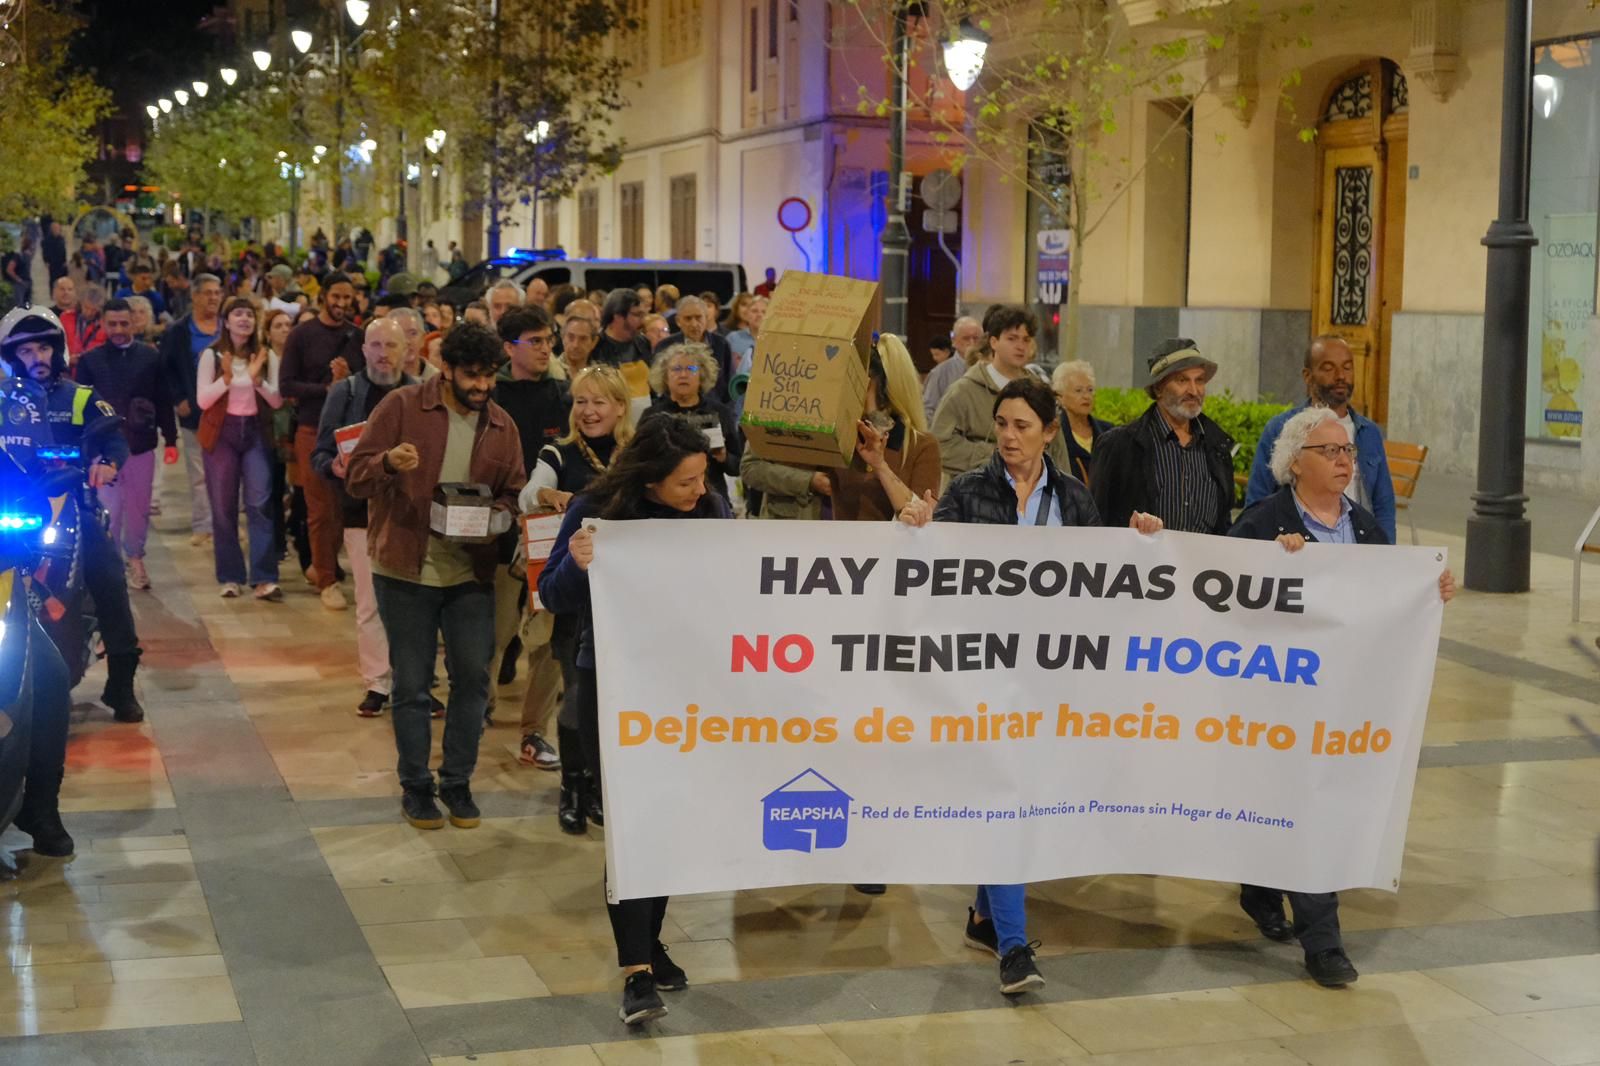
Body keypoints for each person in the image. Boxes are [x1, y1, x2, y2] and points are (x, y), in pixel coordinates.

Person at [899, 377, 1163, 995]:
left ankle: (985, 915)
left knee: (1015, 793)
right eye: (1001, 425)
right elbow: (929, 569)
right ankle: (1014, 949)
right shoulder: (966, 492)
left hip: (1049, 677)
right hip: (982, 675)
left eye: (1022, 426)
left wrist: (1143, 545)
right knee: (1005, 795)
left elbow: (1102, 580)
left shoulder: (1073, 499)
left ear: (1050, 431)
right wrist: (917, 523)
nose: (1009, 437)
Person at [1230, 406, 1455, 988]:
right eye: (1329, 451)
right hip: (1280, 701)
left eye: (1348, 452)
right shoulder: (1262, 526)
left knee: (1311, 806)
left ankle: (1259, 887)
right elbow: (1222, 601)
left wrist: (1428, 591)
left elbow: (1387, 601)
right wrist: (1269, 570)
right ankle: (1323, 943)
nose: (1343, 461)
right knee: (1307, 807)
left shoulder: (1365, 527)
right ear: (1293, 464)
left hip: (1344, 701)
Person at [538, 416, 728, 1025]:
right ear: (650, 479)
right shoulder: (598, 508)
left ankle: (649, 944)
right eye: (686, 483)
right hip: (613, 681)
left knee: (668, 819)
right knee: (632, 820)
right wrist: (576, 562)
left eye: (702, 479)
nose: (699, 492)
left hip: (687, 684)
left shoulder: (711, 509)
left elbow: (741, 579)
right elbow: (552, 594)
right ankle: (636, 972)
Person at [345, 323, 526, 831]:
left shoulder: (502, 426)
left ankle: (458, 781)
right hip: (404, 566)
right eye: (472, 375)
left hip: (470, 571)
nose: (482, 386)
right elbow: (355, 474)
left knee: (472, 677)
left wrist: (500, 516)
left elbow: (514, 491)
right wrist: (386, 461)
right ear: (445, 368)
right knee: (413, 684)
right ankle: (416, 787)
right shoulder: (402, 407)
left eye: (490, 376)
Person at [0, 306, 149, 724]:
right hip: (13, 507)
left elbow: (112, 438)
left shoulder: (80, 396)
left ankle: (121, 683)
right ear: (13, 357)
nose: (36, 357)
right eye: (26, 350)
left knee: (108, 577)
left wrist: (107, 462)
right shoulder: (2, 401)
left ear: (58, 350)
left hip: (71, 509)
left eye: (43, 347)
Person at [518, 365, 633, 831]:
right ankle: (572, 785)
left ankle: (600, 784)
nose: (587, 411)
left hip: (625, 599)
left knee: (612, 699)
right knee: (577, 693)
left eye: (598, 402)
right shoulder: (559, 451)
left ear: (621, 407)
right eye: (580, 402)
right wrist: (549, 492)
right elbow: (529, 494)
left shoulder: (635, 455)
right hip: (574, 593)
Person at [313, 317, 417, 717]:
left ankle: (412, 680)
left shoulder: (418, 393)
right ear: (364, 349)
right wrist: (334, 468)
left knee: (412, 603)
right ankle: (377, 682)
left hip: (410, 510)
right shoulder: (346, 392)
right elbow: (320, 453)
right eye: (375, 345)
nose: (383, 354)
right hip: (361, 513)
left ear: (406, 350)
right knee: (370, 602)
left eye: (390, 346)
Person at [490, 306, 570, 766]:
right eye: (535, 341)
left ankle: (535, 731)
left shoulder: (564, 395)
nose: (545, 348)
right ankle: (477, 706)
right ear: (509, 347)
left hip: (550, 535)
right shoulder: (493, 396)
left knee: (547, 639)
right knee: (497, 633)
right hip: (503, 529)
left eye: (548, 339)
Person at [1245, 335, 1397, 543]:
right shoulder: (1281, 428)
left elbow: (1383, 505)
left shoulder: (1369, 432)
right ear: (1308, 376)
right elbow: (1257, 500)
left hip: (1357, 546)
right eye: (1328, 368)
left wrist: (1387, 556)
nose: (1340, 376)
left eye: (1347, 367)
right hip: (1299, 548)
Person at [76, 299, 179, 591]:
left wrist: (170, 439)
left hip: (140, 444)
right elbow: (80, 409)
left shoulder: (150, 357)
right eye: (112, 324)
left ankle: (135, 558)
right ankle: (111, 564)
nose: (118, 329)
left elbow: (163, 399)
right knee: (109, 509)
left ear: (134, 322)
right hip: (102, 450)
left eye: (124, 323)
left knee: (138, 508)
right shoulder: (90, 361)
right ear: (103, 324)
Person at [280, 271, 364, 609]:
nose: (342, 303)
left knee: (346, 506)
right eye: (337, 297)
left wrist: (348, 381)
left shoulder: (358, 336)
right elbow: (287, 385)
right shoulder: (302, 335)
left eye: (348, 298)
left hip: (350, 431)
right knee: (318, 507)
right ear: (323, 297)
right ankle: (326, 579)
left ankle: (327, 566)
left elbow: (367, 379)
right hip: (313, 428)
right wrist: (326, 389)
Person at [1092, 339, 1235, 534]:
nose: (1194, 391)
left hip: (1203, 564)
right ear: (1158, 388)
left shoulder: (1218, 447)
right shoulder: (1118, 446)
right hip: (1138, 563)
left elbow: (1224, 527)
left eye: (1199, 380)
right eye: (1182, 380)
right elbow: (1095, 523)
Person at [196, 298, 284, 601]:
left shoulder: (265, 354)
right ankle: (230, 576)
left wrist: (258, 382)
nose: (244, 319)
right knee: (223, 506)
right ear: (227, 321)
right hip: (222, 433)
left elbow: (276, 401)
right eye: (238, 314)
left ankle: (264, 577)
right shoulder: (212, 354)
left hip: (255, 433)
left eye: (249, 314)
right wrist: (226, 380)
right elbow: (203, 400)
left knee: (259, 503)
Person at [932, 306, 1069, 482]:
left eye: (1026, 340)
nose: (1020, 346)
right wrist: (995, 455)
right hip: (975, 495)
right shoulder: (964, 391)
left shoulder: (1040, 391)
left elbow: (1057, 449)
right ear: (994, 342)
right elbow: (939, 445)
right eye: (1012, 339)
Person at [160, 272, 224, 545]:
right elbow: (166, 368)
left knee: (227, 473)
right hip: (195, 413)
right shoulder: (179, 332)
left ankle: (225, 525)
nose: (213, 298)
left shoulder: (228, 327)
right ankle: (203, 525)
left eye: (217, 293)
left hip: (229, 411)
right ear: (195, 296)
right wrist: (178, 399)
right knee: (199, 474)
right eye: (207, 292)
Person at [641, 342, 740, 507]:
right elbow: (641, 464)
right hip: (665, 502)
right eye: (676, 369)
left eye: (691, 369)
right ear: (665, 376)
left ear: (702, 375)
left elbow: (738, 466)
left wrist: (724, 457)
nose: (683, 375)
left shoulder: (719, 412)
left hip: (712, 499)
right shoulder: (652, 415)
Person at [654, 295, 732, 404]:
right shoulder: (665, 347)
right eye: (688, 318)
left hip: (714, 411)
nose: (694, 324)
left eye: (698, 317)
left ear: (706, 317)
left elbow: (728, 387)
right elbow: (658, 387)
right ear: (678, 321)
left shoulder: (721, 344)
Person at [1052, 361, 1114, 486]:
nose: (1086, 396)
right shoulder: (1054, 434)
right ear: (1060, 397)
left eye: (1090, 390)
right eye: (1078, 390)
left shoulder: (1109, 431)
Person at [923, 315, 983, 421]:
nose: (972, 343)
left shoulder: (991, 369)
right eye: (966, 338)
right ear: (954, 340)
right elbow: (928, 411)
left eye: (976, 338)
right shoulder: (940, 373)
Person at [593, 288, 651, 366]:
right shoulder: (595, 348)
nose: (642, 321)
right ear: (618, 317)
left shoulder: (643, 343)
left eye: (643, 315)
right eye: (637, 315)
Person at [61, 282, 107, 364]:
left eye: (93, 310)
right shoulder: (66, 318)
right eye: (86, 307)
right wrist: (66, 359)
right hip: (67, 369)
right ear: (80, 303)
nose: (89, 313)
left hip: (93, 369)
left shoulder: (105, 324)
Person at [389, 307, 439, 381]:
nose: (406, 341)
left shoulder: (437, 380)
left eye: (413, 333)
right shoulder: (378, 378)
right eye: (399, 333)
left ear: (422, 339)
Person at [560, 312, 600, 377]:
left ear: (594, 342)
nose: (575, 345)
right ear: (562, 337)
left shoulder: (601, 376)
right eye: (571, 337)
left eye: (583, 339)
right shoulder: (550, 371)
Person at [41, 218, 68, 285]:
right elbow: (45, 251)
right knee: (53, 280)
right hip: (52, 263)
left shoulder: (61, 239)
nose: (56, 230)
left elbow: (64, 250)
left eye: (58, 228)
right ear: (51, 229)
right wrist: (46, 261)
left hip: (61, 263)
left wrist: (65, 260)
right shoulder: (47, 240)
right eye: (55, 228)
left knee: (62, 279)